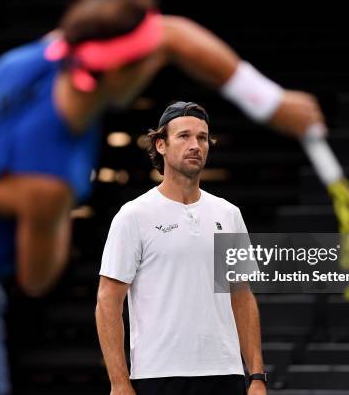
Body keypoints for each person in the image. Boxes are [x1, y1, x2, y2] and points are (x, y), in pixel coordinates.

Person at [0, 0, 324, 393]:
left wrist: (270, 102)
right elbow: (37, 279)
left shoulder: (46, 54)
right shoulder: (50, 179)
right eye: (146, 62)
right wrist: (56, 219)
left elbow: (173, 36)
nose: (156, 61)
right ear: (121, 75)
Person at [97, 102, 267, 395]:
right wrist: (119, 382)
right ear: (160, 144)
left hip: (225, 374)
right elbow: (108, 302)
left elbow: (241, 296)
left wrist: (256, 376)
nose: (195, 145)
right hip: (158, 376)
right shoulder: (134, 215)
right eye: (184, 136)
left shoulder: (228, 214)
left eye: (202, 138)